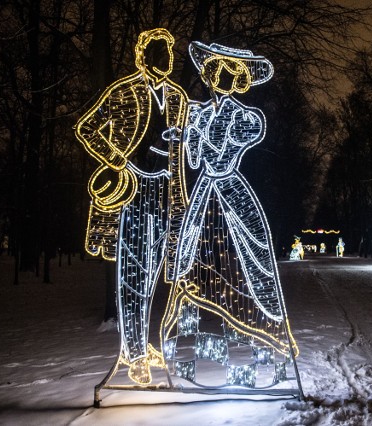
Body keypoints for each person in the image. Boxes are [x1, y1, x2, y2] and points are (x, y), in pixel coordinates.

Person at [161, 42, 298, 387]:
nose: (221, 77)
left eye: (231, 72)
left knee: (246, 264)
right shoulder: (202, 114)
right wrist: (187, 137)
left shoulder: (244, 117)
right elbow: (195, 162)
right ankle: (186, 358)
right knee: (194, 262)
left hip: (231, 193)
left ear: (240, 80)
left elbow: (222, 156)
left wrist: (196, 131)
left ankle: (258, 353)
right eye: (217, 70)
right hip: (205, 194)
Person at [75, 28, 188, 385]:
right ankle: (135, 353)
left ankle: (138, 343)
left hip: (164, 192)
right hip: (132, 191)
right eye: (160, 52)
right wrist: (117, 159)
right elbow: (88, 127)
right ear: (144, 58)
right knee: (133, 272)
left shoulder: (179, 98)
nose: (167, 59)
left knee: (153, 273)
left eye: (169, 53)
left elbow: (181, 153)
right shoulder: (124, 91)